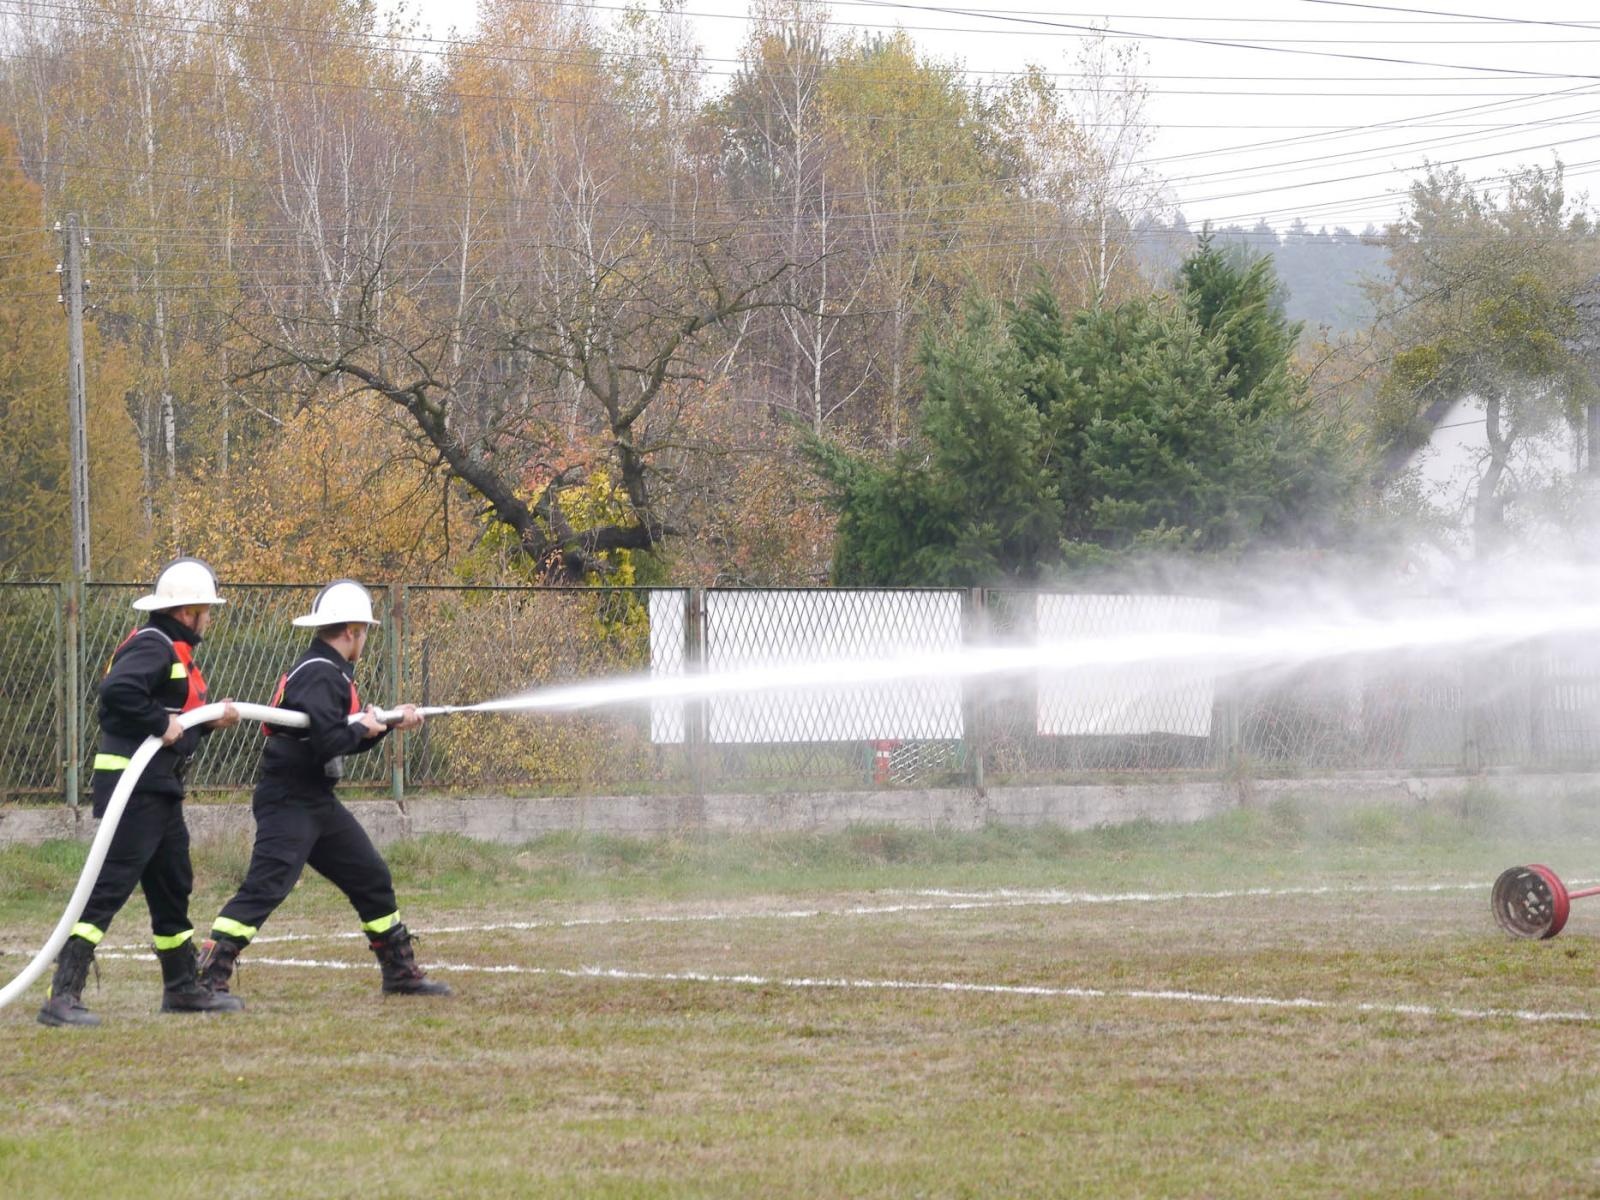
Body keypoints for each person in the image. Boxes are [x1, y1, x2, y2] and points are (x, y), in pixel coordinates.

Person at [197, 579, 451, 1000]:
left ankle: (400, 973)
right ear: (351, 630)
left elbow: (338, 734)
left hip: (316, 800)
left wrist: (385, 725)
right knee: (266, 888)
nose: (365, 639)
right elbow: (329, 742)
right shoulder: (319, 674)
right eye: (364, 631)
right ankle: (208, 972)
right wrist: (371, 727)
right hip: (289, 799)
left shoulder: (328, 672)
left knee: (371, 876)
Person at [38, 557, 244, 1027]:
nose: (209, 619)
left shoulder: (171, 649)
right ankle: (62, 994)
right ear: (188, 611)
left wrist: (206, 719)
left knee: (173, 882)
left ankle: (181, 988)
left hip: (158, 786)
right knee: (109, 887)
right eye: (206, 610)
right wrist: (162, 723)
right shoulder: (155, 646)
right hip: (134, 788)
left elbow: (176, 721)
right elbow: (117, 693)